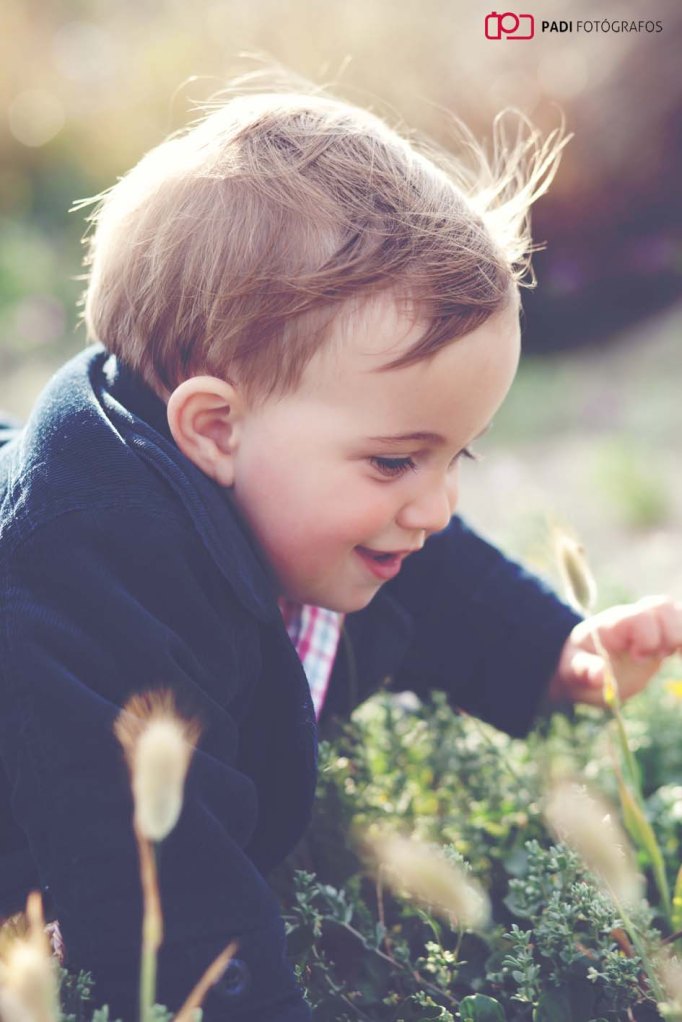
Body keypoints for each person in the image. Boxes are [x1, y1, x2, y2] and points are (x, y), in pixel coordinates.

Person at [0, 74, 680, 1021]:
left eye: (456, 457)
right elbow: (166, 890)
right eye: (398, 460)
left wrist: (552, 652)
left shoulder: (304, 490)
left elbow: (441, 579)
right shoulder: (89, 585)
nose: (437, 506)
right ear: (215, 428)